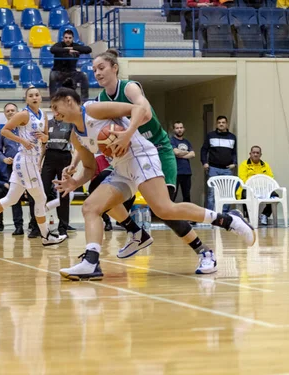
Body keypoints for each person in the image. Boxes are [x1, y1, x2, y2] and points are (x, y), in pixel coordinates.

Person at [50, 85, 256, 281]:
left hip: (141, 155)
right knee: (91, 207)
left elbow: (138, 109)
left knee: (164, 209)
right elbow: (90, 168)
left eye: (55, 107)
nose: (54, 113)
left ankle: (227, 220)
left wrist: (127, 134)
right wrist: (74, 183)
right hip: (122, 168)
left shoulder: (93, 109)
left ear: (69, 101)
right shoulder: (76, 136)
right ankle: (92, 262)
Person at [92, 50, 220, 274]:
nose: (97, 73)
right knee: (98, 190)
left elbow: (145, 113)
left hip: (159, 150)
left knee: (164, 211)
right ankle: (136, 233)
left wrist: (128, 133)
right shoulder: (101, 100)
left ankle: (205, 252)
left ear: (114, 67)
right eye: (94, 70)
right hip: (132, 155)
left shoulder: (129, 87)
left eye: (101, 67)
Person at [0, 87, 67, 247]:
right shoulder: (23, 114)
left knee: (11, 199)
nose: (34, 97)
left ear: (40, 98)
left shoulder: (43, 115)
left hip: (31, 161)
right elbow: (4, 131)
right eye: (31, 96)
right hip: (24, 159)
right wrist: (22, 141)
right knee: (41, 198)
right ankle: (45, 235)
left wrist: (44, 138)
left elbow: (45, 139)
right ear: (26, 99)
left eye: (37, 95)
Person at [28, 116, 74, 237]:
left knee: (64, 193)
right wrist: (39, 162)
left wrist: (73, 164)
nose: (57, 110)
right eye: (54, 107)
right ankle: (35, 227)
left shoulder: (70, 123)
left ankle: (63, 228)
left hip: (65, 157)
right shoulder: (47, 123)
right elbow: (43, 144)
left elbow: (75, 144)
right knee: (40, 192)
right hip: (49, 157)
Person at [0, 102, 25, 236]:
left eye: (13, 110)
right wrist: (3, 158)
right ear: (5, 114)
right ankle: (18, 226)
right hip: (11, 167)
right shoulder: (2, 132)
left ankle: (35, 225)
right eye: (8, 111)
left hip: (27, 164)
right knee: (15, 197)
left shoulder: (25, 128)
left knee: (33, 195)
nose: (11, 112)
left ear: (18, 112)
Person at [201, 115, 237, 212]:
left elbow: (234, 152)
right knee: (211, 193)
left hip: (227, 170)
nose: (221, 124)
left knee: (227, 193)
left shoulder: (232, 137)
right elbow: (204, 150)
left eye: (223, 122)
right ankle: (210, 215)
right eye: (219, 122)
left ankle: (224, 214)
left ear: (227, 124)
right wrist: (204, 162)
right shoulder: (210, 136)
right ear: (216, 124)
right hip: (213, 169)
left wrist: (234, 163)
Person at [237, 145, 276, 226]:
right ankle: (248, 217)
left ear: (260, 155)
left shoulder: (265, 165)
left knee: (275, 195)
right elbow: (242, 179)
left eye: (257, 153)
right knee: (245, 195)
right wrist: (254, 185)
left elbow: (271, 178)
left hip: (263, 190)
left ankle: (264, 215)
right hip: (248, 189)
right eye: (253, 152)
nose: (255, 154)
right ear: (250, 154)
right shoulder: (244, 165)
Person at [49, 29, 91, 100]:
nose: (68, 40)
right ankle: (53, 100)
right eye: (66, 38)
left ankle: (84, 100)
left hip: (72, 73)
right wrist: (68, 50)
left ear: (73, 38)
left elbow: (88, 49)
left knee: (84, 76)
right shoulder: (59, 45)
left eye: (70, 38)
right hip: (58, 72)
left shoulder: (75, 46)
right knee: (52, 75)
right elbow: (52, 50)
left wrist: (72, 48)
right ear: (63, 38)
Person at [170, 121, 194, 203]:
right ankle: (169, 215)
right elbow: (175, 152)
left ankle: (187, 214)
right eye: (177, 128)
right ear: (173, 130)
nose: (179, 130)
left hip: (187, 172)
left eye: (181, 128)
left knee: (187, 196)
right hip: (176, 172)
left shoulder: (186, 142)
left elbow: (193, 154)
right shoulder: (171, 140)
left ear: (184, 129)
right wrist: (187, 152)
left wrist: (181, 155)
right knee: (173, 195)